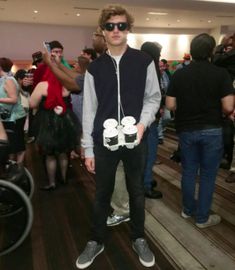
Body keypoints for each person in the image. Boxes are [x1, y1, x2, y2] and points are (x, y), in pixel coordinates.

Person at [76, 5, 161, 269]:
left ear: (128, 29)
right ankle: (96, 239)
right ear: (103, 30)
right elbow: (89, 110)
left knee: (137, 191)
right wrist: (88, 148)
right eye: (110, 26)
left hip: (135, 139)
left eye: (121, 26)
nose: (116, 30)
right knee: (102, 192)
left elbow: (153, 98)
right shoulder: (94, 69)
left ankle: (138, 237)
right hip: (104, 140)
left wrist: (142, 124)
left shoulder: (143, 61)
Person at [166, 33, 234, 229]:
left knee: (188, 171)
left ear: (192, 51)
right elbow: (229, 107)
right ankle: (202, 217)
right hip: (212, 130)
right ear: (211, 51)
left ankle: (188, 210)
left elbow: (170, 104)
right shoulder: (220, 74)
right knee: (207, 175)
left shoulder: (179, 73)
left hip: (186, 130)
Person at [29, 62, 79, 190]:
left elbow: (32, 104)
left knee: (50, 155)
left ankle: (52, 183)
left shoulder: (42, 85)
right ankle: (63, 178)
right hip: (65, 120)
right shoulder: (67, 85)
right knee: (63, 153)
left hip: (47, 122)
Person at [140, 41, 163, 199]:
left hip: (139, 117)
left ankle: (143, 181)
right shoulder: (152, 68)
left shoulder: (136, 66)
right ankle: (146, 185)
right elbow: (154, 96)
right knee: (150, 153)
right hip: (150, 119)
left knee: (142, 153)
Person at [0, 58, 27, 165]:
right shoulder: (4, 79)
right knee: (10, 144)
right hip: (8, 116)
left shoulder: (9, 80)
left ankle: (19, 169)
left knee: (18, 144)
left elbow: (14, 99)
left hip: (15, 117)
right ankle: (11, 167)